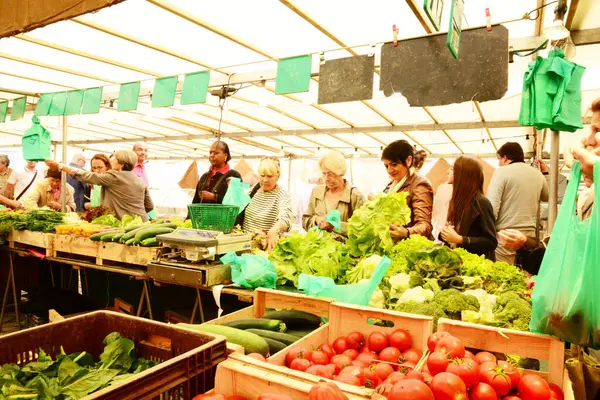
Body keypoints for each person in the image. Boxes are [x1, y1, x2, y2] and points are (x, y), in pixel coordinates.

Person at [45, 150, 154, 222]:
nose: (110, 160)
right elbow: (149, 206)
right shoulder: (140, 180)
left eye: (114, 158)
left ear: (121, 164)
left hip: (123, 225)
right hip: (141, 223)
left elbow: (85, 175)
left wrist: (59, 165)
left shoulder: (113, 176)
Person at [486, 142, 549, 264]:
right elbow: (547, 197)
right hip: (528, 237)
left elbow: (492, 207)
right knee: (524, 275)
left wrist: (488, 234)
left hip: (505, 235)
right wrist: (545, 173)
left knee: (503, 276)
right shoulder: (537, 174)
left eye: (499, 159)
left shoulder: (501, 172)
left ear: (505, 157)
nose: (499, 163)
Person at [440, 157, 498, 260]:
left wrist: (461, 239)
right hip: (459, 261)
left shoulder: (481, 203)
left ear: (463, 174)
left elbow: (491, 242)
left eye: (452, 168)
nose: (447, 171)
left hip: (477, 265)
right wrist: (445, 233)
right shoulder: (457, 201)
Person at [303, 151, 365, 240]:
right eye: (324, 174)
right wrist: (316, 220)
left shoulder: (355, 196)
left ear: (341, 173)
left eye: (331, 174)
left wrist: (335, 226)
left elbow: (362, 230)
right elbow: (305, 220)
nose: (326, 179)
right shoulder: (316, 192)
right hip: (317, 248)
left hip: (344, 251)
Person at [382, 140, 434, 241]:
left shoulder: (419, 184)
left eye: (394, 164)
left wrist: (407, 232)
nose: (389, 170)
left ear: (408, 160)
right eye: (386, 166)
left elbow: (425, 225)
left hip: (411, 247)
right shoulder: (393, 184)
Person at [241, 157, 294, 250]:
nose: (265, 180)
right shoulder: (252, 191)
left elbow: (286, 218)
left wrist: (274, 230)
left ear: (278, 176)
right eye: (262, 175)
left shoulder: (282, 195)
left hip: (264, 249)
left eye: (269, 176)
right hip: (244, 246)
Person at [432, 166, 453, 243]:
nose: (447, 171)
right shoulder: (443, 188)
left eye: (452, 168)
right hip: (442, 239)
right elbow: (437, 217)